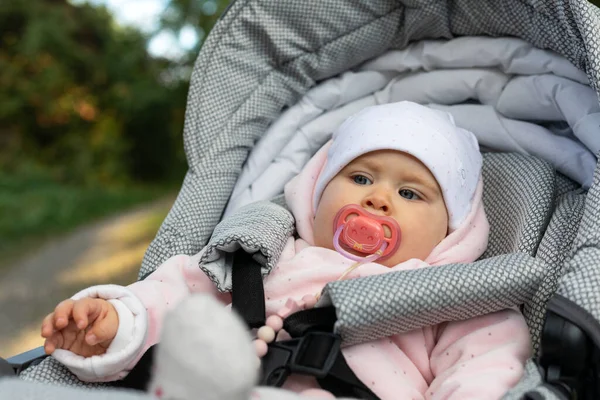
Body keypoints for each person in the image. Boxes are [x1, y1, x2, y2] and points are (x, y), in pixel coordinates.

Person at [40, 101, 531, 400]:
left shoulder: (456, 299)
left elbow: (482, 372)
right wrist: (117, 325)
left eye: (410, 193)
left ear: (453, 228)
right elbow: (173, 297)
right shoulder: (265, 256)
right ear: (316, 193)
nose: (377, 198)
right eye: (359, 178)